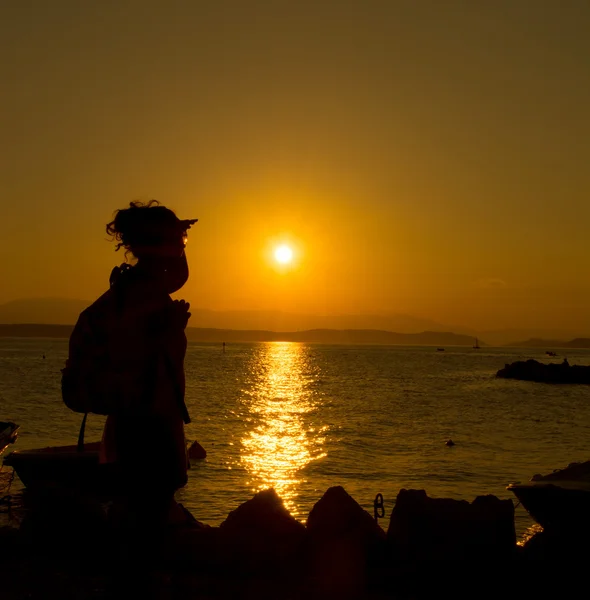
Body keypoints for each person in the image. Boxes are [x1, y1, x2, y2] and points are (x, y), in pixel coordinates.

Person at [92, 200, 197, 536]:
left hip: (138, 423)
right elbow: (135, 358)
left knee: (141, 514)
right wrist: (166, 332)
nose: (182, 248)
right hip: (146, 427)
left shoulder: (137, 289)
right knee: (145, 519)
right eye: (178, 242)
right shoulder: (141, 296)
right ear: (161, 245)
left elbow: (180, 275)